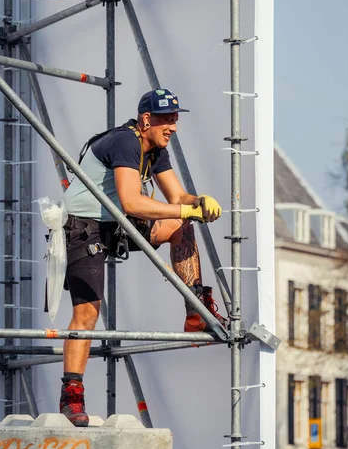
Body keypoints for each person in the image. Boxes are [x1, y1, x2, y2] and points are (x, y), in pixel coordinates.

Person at [59, 88, 225, 426]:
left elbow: (178, 196)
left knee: (181, 221)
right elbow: (133, 201)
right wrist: (186, 208)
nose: (173, 127)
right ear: (146, 120)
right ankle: (71, 395)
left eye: (176, 120)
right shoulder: (125, 142)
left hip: (117, 223)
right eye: (167, 120)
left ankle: (195, 308)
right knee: (87, 313)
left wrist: (199, 201)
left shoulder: (156, 147)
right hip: (84, 227)